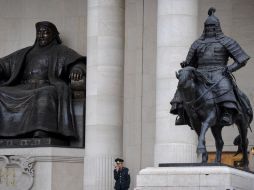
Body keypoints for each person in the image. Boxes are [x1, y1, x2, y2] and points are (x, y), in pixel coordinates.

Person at [0, 21, 86, 140]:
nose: (41, 35)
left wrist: (77, 70)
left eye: (45, 33)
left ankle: (41, 131)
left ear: (53, 35)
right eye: (39, 33)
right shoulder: (26, 52)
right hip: (23, 87)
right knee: (1, 92)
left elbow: (78, 63)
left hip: (47, 85)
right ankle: (5, 133)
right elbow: (4, 64)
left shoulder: (61, 50)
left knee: (46, 93)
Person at [170, 7, 251, 126]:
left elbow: (242, 60)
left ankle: (227, 113)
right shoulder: (197, 43)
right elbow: (191, 63)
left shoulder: (227, 41)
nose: (209, 29)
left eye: (212, 27)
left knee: (225, 86)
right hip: (200, 73)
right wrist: (185, 65)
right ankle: (181, 112)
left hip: (220, 72)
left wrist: (229, 69)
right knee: (183, 84)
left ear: (217, 27)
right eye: (207, 27)